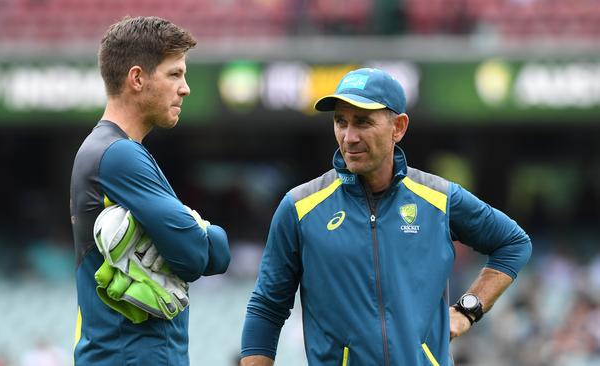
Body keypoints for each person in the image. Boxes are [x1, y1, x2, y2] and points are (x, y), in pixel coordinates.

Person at [240, 68, 532, 365]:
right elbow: (267, 307)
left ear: (399, 127)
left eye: (363, 122)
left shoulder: (439, 198)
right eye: (340, 121)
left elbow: (513, 243)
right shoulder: (299, 207)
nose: (349, 137)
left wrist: (468, 310)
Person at [70, 16, 231, 365]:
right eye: (175, 74)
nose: (185, 87)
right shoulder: (119, 155)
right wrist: (203, 229)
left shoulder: (105, 150)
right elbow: (201, 256)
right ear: (137, 78)